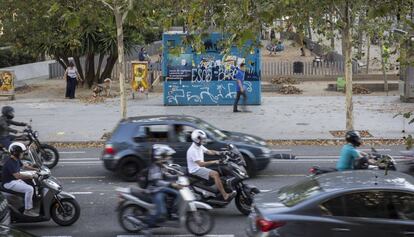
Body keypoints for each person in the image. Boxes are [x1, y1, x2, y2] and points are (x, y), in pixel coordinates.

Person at [186, 130, 235, 200]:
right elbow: (201, 164)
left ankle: (218, 190)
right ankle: (225, 195)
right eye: (202, 139)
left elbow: (209, 151)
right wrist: (215, 161)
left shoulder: (199, 146)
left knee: (221, 171)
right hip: (195, 170)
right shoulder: (192, 150)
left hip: (199, 167)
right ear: (197, 139)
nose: (204, 140)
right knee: (215, 174)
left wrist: (221, 153)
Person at [144, 144, 180, 227]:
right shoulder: (154, 167)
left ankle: (171, 213)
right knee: (161, 212)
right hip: (155, 190)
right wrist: (171, 184)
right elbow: (157, 182)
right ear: (159, 156)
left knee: (177, 194)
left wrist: (176, 177)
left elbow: (166, 175)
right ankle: (147, 225)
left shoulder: (160, 165)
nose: (167, 158)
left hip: (161, 188)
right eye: (165, 156)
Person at [2, 142, 38, 217]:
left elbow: (24, 166)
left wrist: (36, 169)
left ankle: (26, 204)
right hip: (9, 183)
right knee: (29, 189)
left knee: (31, 184)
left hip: (14, 180)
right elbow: (17, 176)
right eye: (21, 153)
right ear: (16, 153)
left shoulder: (16, 159)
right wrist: (30, 176)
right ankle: (27, 210)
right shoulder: (9, 162)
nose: (23, 154)